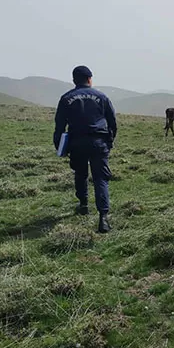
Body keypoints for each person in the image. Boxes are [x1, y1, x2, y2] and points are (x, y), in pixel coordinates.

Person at [53, 66, 117, 233]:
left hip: (77, 143)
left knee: (80, 174)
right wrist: (109, 142)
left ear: (74, 80)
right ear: (90, 79)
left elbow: (59, 126)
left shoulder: (66, 98)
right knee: (100, 178)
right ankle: (103, 217)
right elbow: (112, 122)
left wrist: (60, 147)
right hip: (98, 142)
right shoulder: (102, 97)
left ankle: (83, 205)